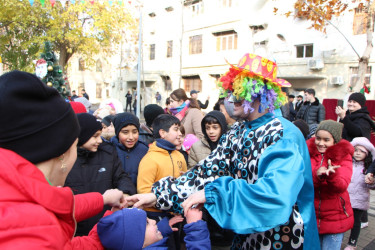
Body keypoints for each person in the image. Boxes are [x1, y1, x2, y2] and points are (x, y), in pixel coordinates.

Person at [126, 53, 319, 250]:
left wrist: (215, 194)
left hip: (285, 238)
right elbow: (206, 172)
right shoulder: (237, 131)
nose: (231, 98)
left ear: (258, 93)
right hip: (246, 237)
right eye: (230, 90)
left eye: (239, 91)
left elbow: (276, 195)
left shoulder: (284, 135)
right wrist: (158, 196)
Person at [0, 71, 126, 248]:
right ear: (61, 153)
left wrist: (103, 201)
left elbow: (60, 205)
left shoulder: (17, 196)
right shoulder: (36, 234)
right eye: (75, 145)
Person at [64, 113, 136, 236]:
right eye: (95, 136)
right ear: (81, 136)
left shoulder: (107, 153)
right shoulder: (65, 159)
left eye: (100, 135)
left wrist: (125, 192)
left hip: (105, 224)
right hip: (76, 229)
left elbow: (120, 176)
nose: (99, 140)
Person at [188, 110, 233, 248]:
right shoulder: (196, 147)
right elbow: (193, 171)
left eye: (215, 127)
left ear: (222, 127)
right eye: (207, 128)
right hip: (204, 200)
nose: (211, 132)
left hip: (227, 199)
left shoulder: (230, 145)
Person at [306, 120, 354, 250]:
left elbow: (342, 185)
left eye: (326, 140)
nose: (321, 143)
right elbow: (303, 179)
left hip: (335, 217)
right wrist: (317, 175)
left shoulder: (343, 156)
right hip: (312, 216)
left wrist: (331, 175)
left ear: (335, 141)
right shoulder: (308, 153)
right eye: (318, 138)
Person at [137, 114, 187, 219]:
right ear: (163, 133)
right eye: (176, 129)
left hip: (177, 212)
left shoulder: (179, 156)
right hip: (156, 214)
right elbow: (144, 190)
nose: (179, 133)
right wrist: (165, 203)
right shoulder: (150, 159)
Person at [97, 207, 210, 250]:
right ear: (136, 242)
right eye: (146, 223)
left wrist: (162, 228)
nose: (153, 221)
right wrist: (195, 227)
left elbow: (145, 238)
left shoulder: (136, 244)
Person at [344, 137, 375, 250]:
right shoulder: (347, 163)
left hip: (359, 200)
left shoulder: (368, 168)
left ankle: (352, 243)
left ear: (367, 153)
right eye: (356, 150)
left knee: (356, 222)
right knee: (342, 219)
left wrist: (371, 181)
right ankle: (338, 237)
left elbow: (371, 186)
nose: (357, 153)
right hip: (345, 198)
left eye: (362, 151)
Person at [111, 112, 149, 186]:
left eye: (134, 132)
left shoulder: (144, 150)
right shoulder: (110, 149)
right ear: (117, 132)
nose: (131, 137)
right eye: (125, 132)